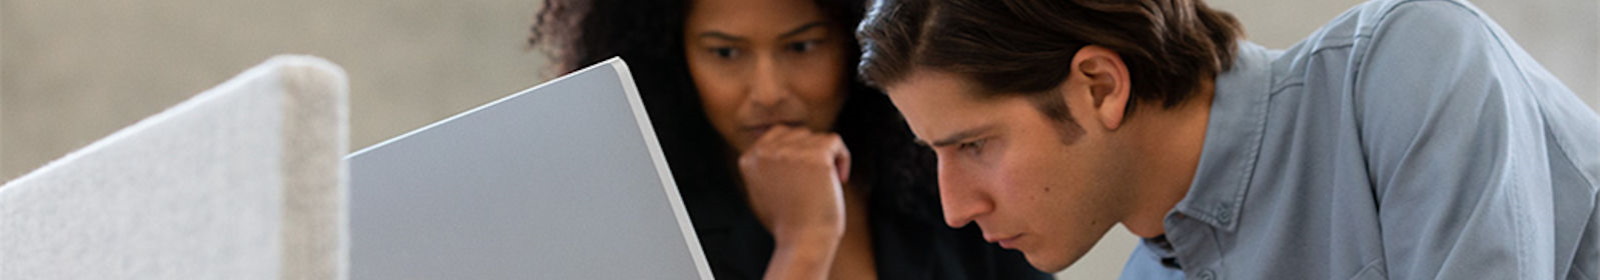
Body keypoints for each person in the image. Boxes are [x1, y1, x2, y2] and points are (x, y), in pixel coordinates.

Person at [855, 0, 1600, 279]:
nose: (955, 206)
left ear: (1100, 87)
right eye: (936, 154)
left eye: (974, 144)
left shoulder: (1412, 64)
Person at [531, 0, 1050, 279]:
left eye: (801, 46)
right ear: (674, 57)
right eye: (726, 54)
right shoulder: (639, 231)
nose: (768, 92)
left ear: (856, 41)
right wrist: (805, 242)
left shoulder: (949, 190)